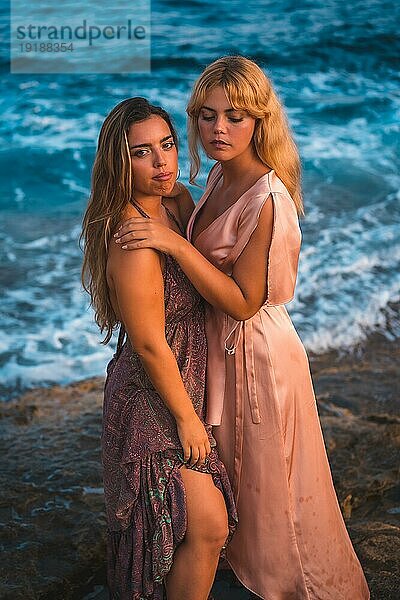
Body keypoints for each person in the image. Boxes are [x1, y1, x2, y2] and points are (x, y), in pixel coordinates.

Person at [114, 57, 370, 599]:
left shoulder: (267, 196)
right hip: (216, 355)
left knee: (278, 492)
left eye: (234, 116)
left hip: (257, 352)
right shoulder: (216, 176)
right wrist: (173, 215)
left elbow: (245, 300)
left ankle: (299, 588)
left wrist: (177, 244)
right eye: (206, 117)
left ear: (260, 120)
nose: (217, 130)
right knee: (242, 488)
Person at [81, 97, 237, 600]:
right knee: (206, 523)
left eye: (167, 145)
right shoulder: (130, 235)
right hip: (153, 395)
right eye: (142, 152)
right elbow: (147, 344)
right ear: (118, 163)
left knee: (197, 528)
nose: (163, 163)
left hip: (186, 381)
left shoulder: (175, 205)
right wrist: (188, 420)